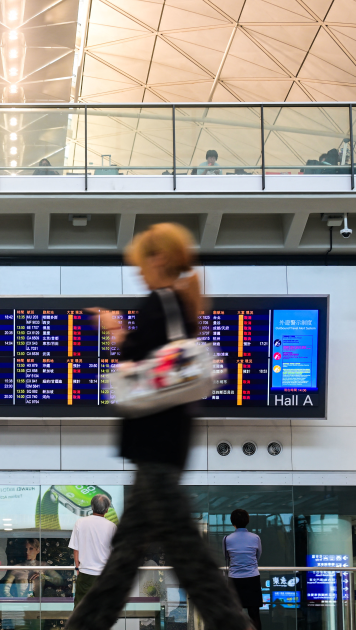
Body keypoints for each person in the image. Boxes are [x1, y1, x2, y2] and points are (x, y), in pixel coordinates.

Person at [69, 223, 245, 630]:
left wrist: (116, 330)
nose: (139, 272)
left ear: (159, 258)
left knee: (189, 562)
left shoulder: (161, 302)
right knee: (125, 558)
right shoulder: (176, 304)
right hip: (163, 447)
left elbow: (140, 360)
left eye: (142, 263)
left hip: (156, 449)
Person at [69, 495, 117, 608]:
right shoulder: (112, 526)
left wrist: (77, 568)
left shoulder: (80, 523)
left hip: (85, 574)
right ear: (107, 509)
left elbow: (76, 549)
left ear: (91, 507)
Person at [224, 509, 263, 630]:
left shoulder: (227, 539)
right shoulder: (255, 537)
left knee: (235, 614)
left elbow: (226, 557)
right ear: (247, 521)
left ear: (232, 522)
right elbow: (258, 555)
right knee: (254, 614)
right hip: (252, 578)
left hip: (235, 579)